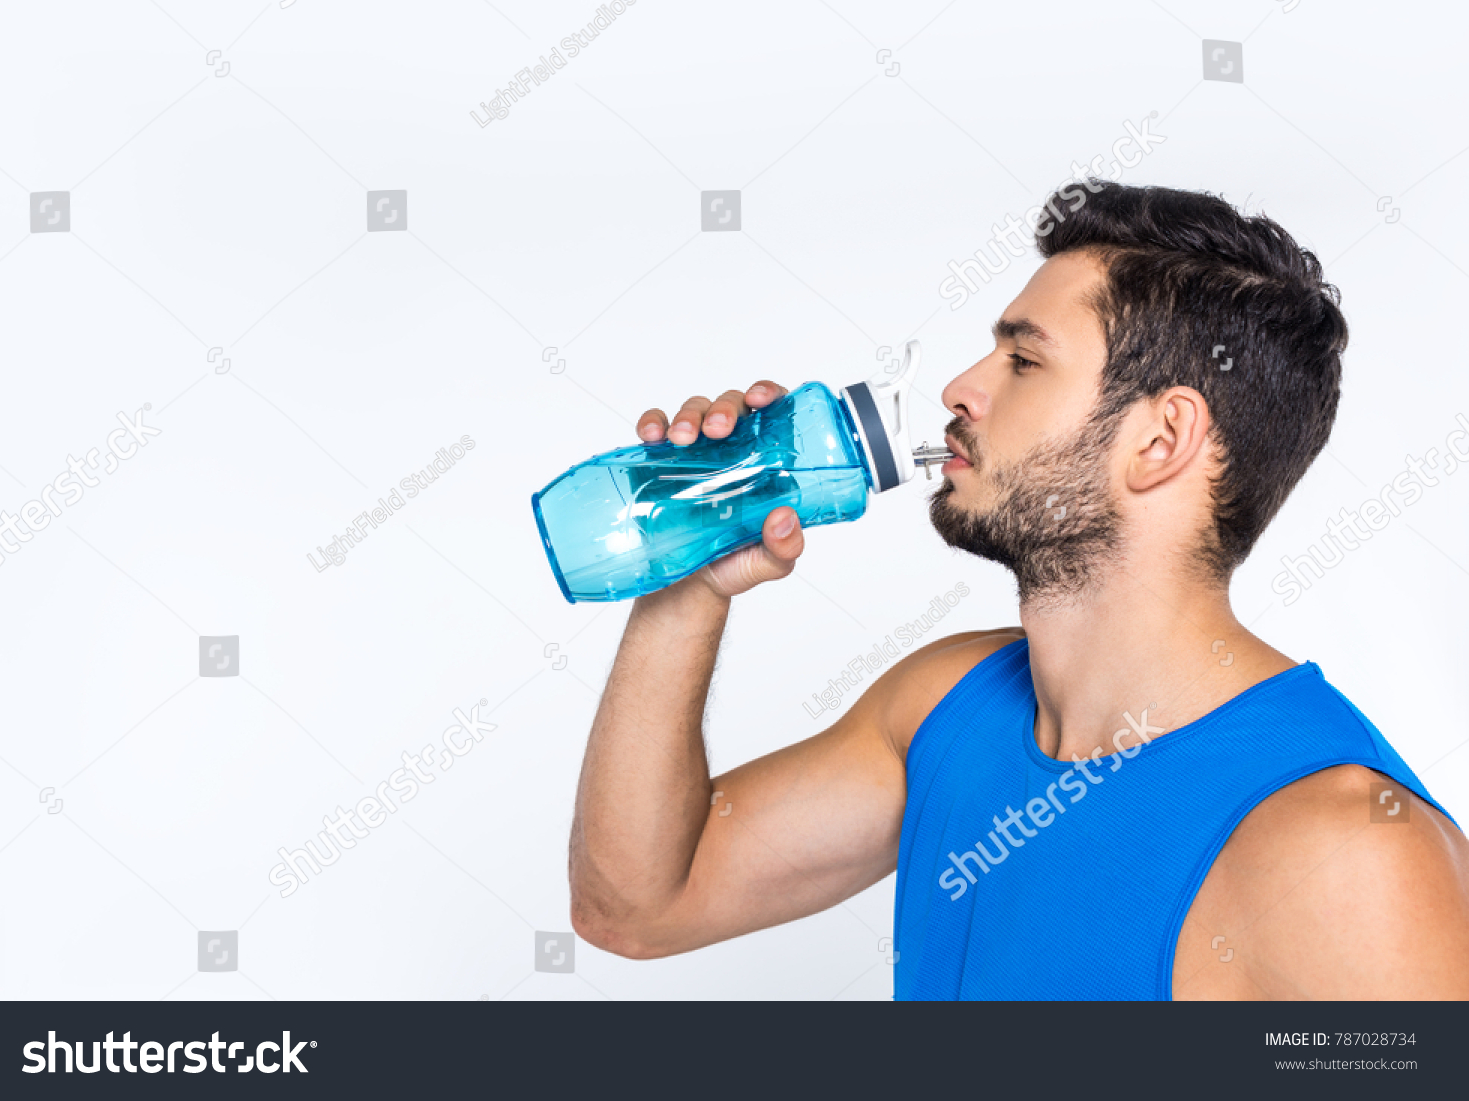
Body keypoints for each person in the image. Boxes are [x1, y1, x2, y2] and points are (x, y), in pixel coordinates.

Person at [566, 181, 1469, 999]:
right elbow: (637, 904)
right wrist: (687, 572)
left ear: (1160, 439)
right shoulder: (943, 707)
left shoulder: (1350, 853)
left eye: (1023, 360)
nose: (961, 387)